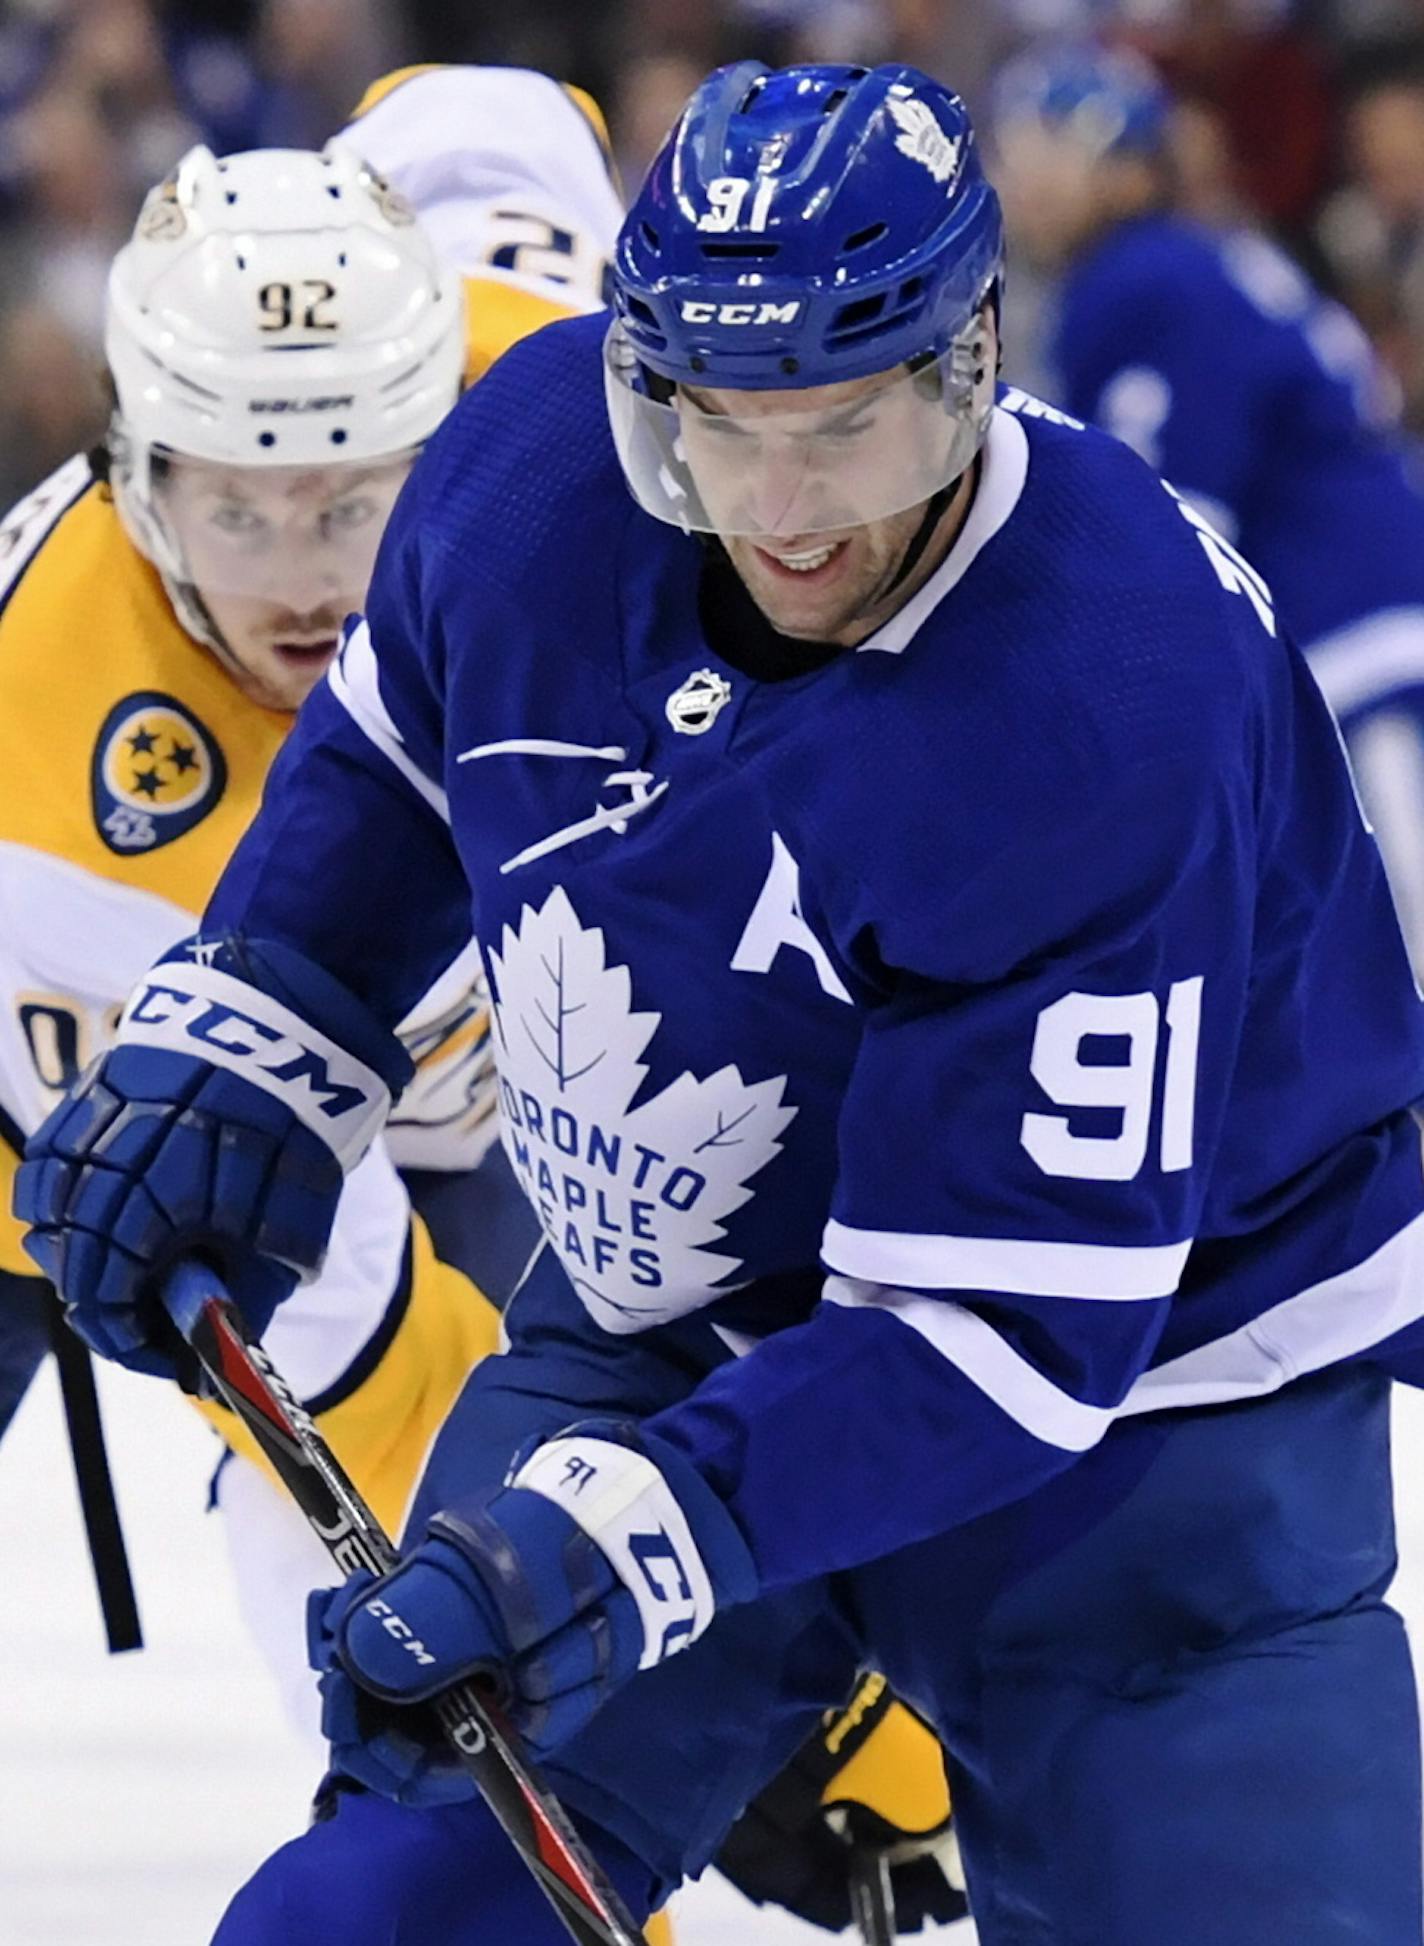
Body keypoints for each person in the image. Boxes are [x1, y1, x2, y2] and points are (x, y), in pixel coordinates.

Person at [20, 56, 1424, 1945]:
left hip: (1161, 1418)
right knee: (365, 1925)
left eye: (840, 427)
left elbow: (998, 1329)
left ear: (969, 358)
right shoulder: (528, 459)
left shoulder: (1107, 683)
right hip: (669, 1327)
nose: (774, 507)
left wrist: (620, 1536)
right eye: (709, 422)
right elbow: (390, 764)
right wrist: (255, 1042)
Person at [991, 42, 1424, 973]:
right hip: (1373, 617)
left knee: (1402, 956)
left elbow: (1165, 525)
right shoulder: (1193, 258)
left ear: (1116, 164)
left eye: (1038, 155)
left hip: (1357, 645)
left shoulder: (1138, 278)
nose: (1016, 185)